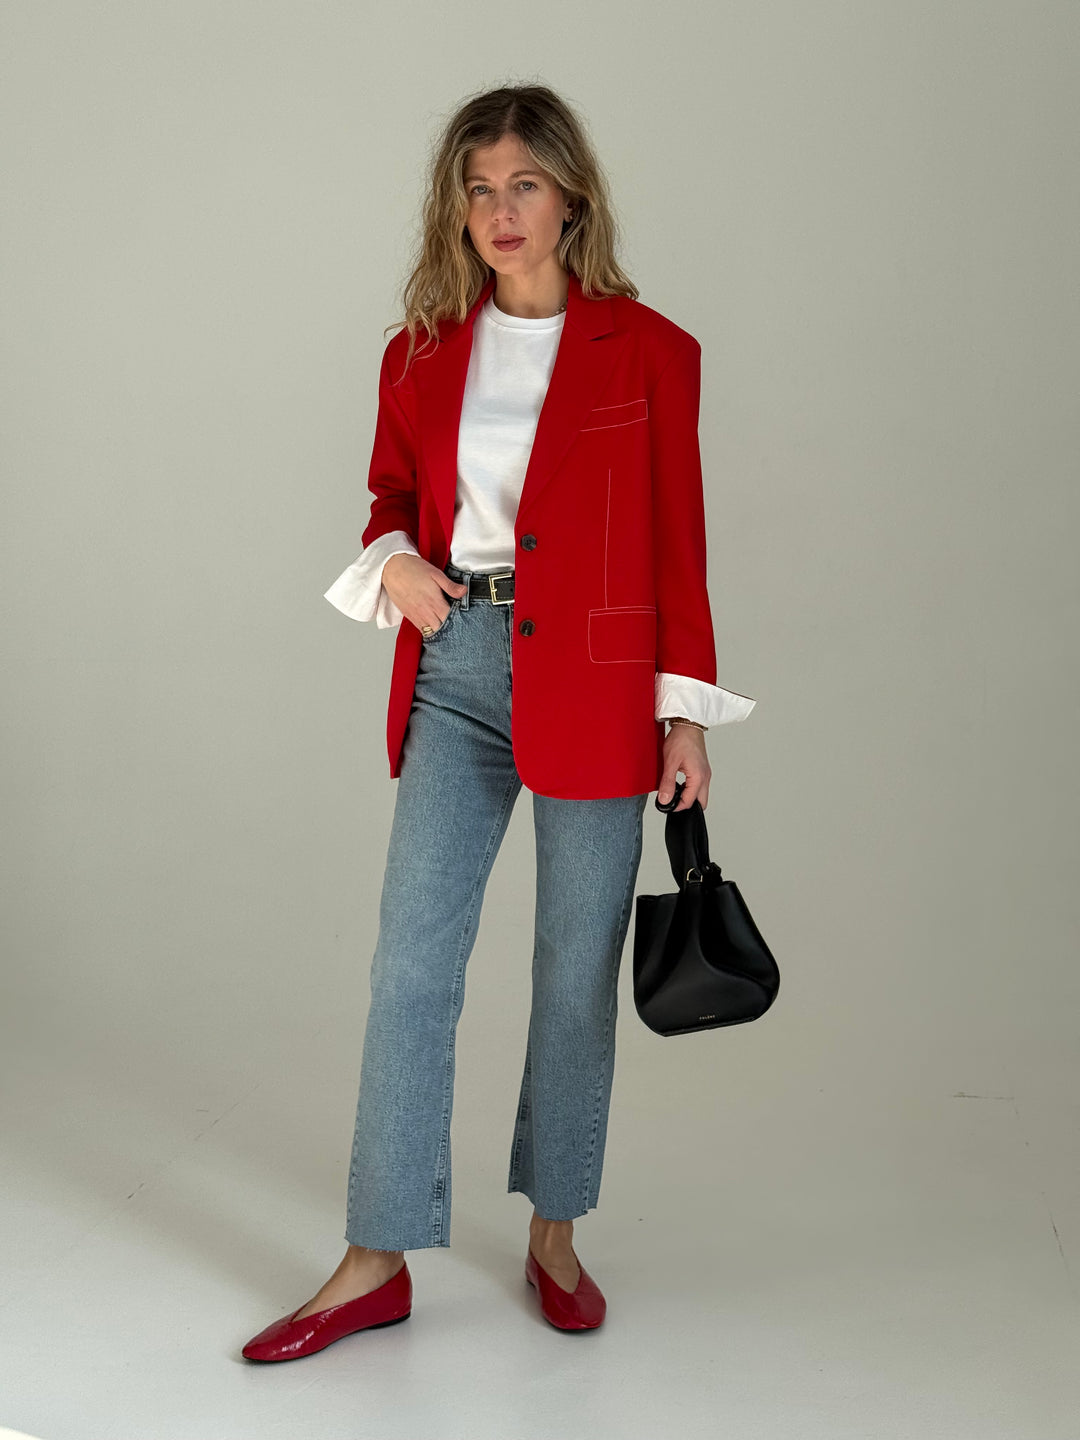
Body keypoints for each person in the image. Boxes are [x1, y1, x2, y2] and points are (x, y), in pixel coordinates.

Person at [241, 82, 755, 1362]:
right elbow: (387, 502)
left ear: (571, 195)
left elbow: (678, 548)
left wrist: (684, 718)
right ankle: (374, 1259)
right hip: (457, 666)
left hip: (598, 675)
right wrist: (396, 565)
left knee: (573, 974)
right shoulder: (418, 351)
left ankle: (556, 1234)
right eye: (478, 189)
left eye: (523, 183)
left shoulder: (652, 351)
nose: (499, 210)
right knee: (410, 966)